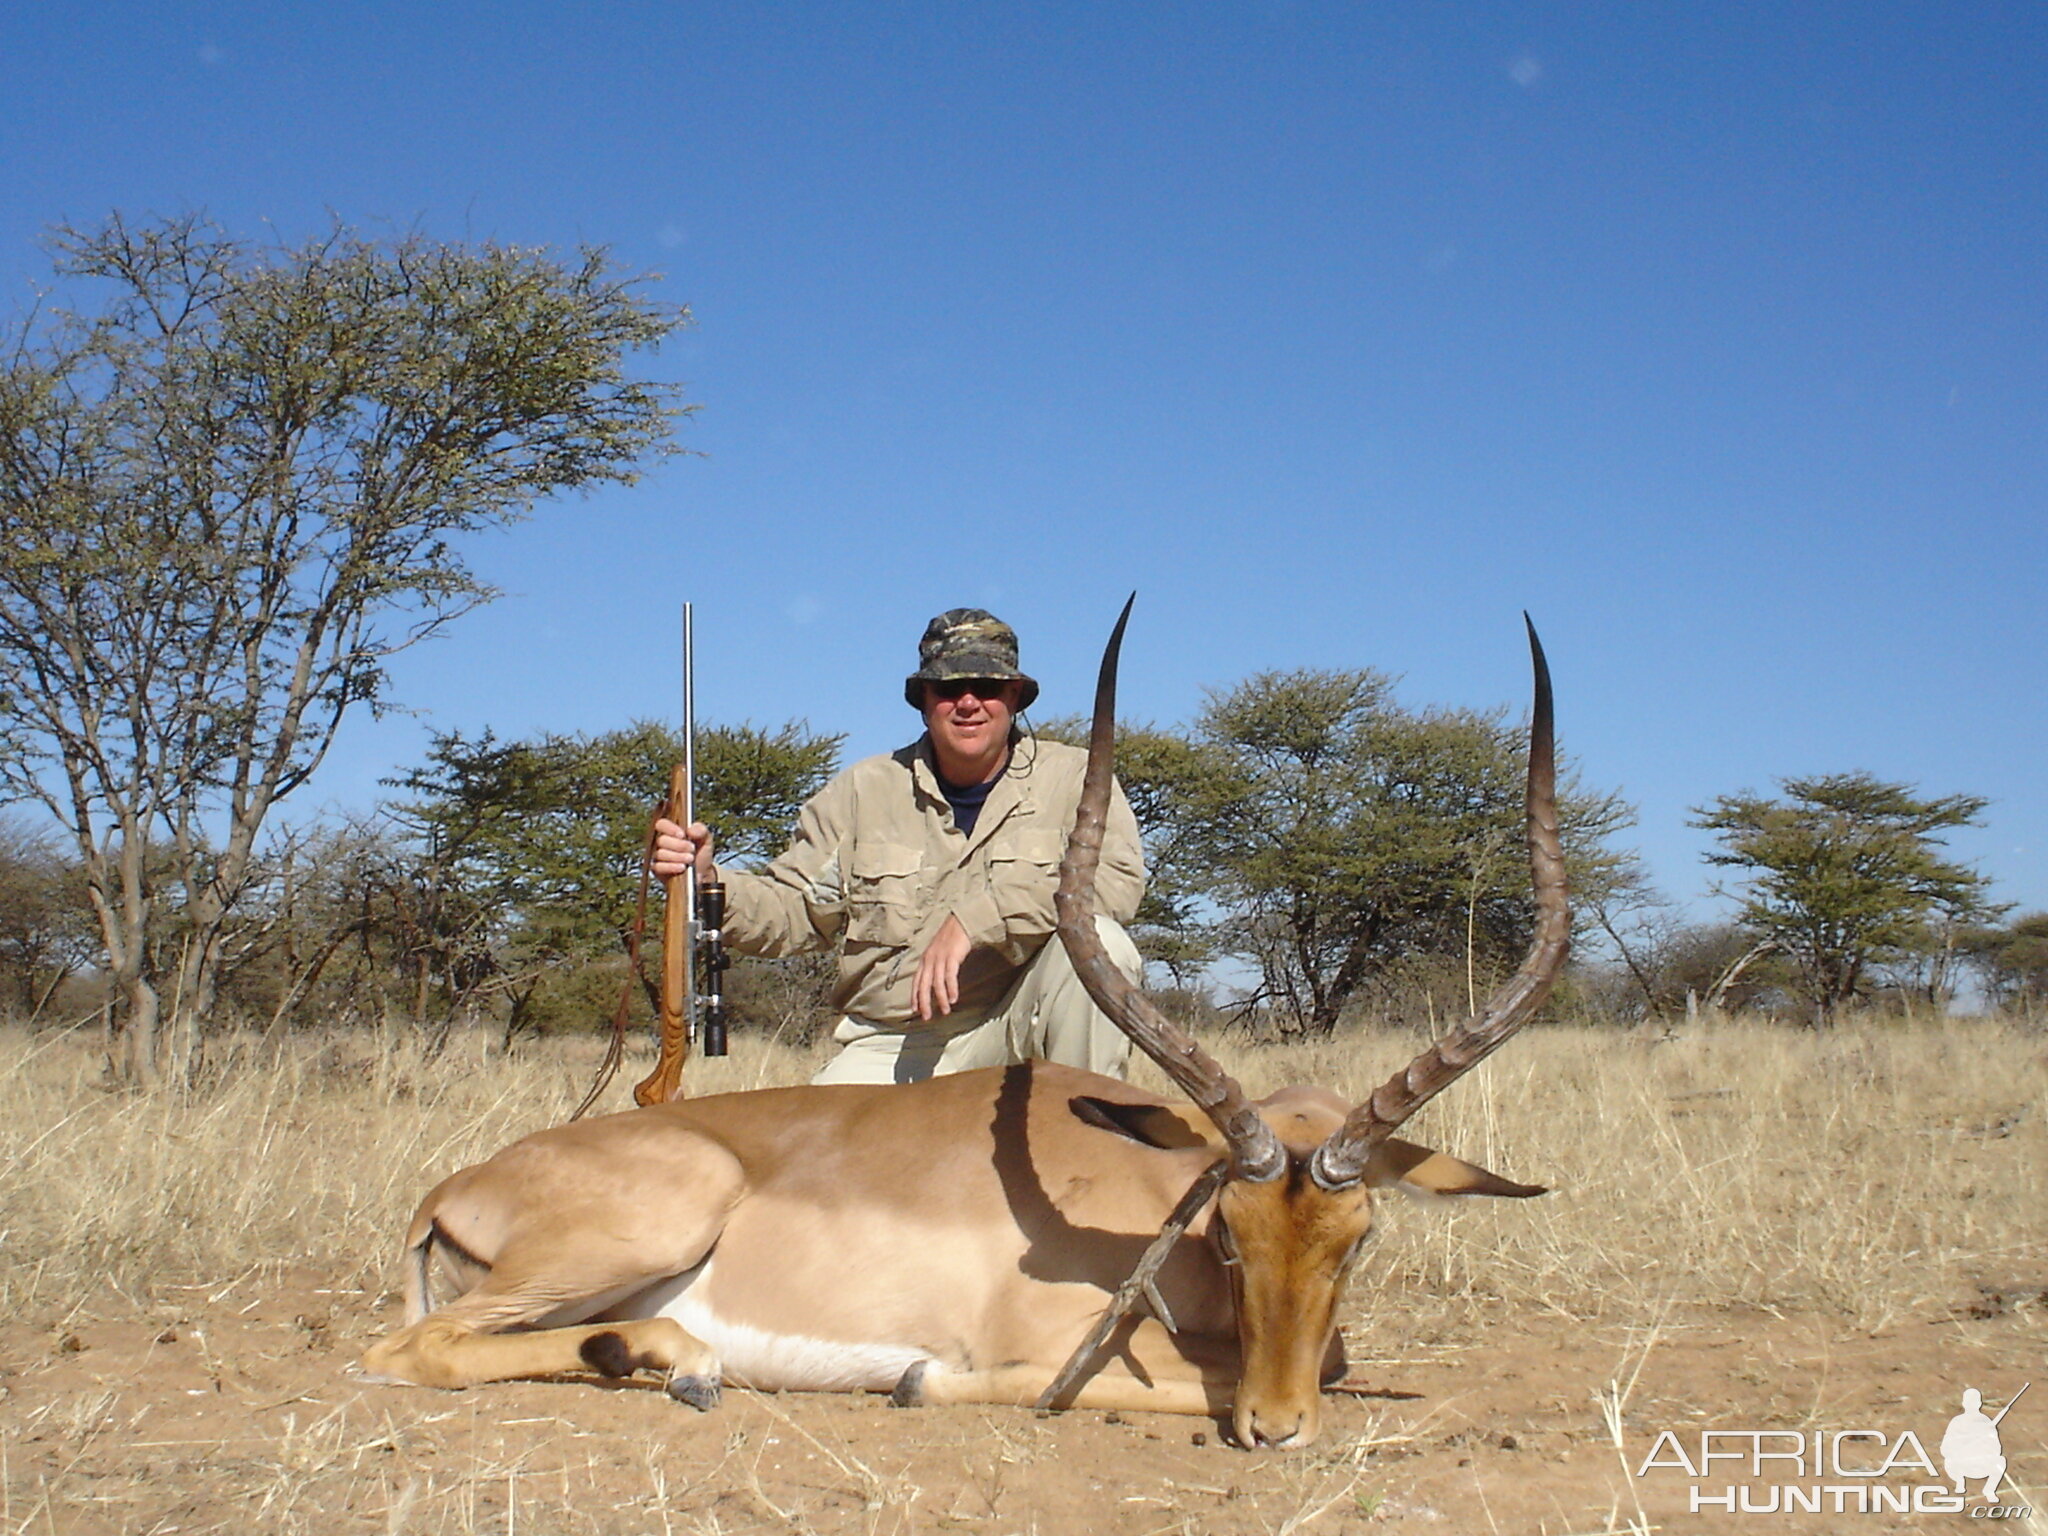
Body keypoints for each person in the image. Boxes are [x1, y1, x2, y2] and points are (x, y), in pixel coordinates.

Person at [654, 608, 1147, 1084]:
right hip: (893, 1044)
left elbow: (1112, 886)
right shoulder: (861, 790)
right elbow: (796, 911)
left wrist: (978, 919)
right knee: (818, 1165)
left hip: (1013, 1033)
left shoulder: (1075, 778)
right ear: (923, 698)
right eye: (950, 688)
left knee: (1102, 942)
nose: (969, 702)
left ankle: (1089, 1143)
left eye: (988, 687)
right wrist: (708, 882)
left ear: (1015, 696)